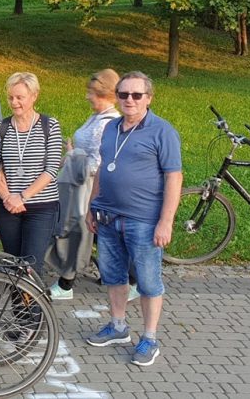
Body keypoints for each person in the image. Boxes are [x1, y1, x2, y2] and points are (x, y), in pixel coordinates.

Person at [85, 71, 182, 367]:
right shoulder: (111, 127)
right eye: (123, 94)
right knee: (113, 275)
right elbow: (103, 168)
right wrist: (92, 205)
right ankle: (118, 326)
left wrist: (166, 221)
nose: (130, 100)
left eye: (137, 95)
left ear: (148, 98)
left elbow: (174, 177)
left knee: (149, 282)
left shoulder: (162, 131)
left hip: (143, 220)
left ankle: (150, 338)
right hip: (107, 216)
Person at [47, 69, 120, 300]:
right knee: (95, 234)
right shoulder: (97, 117)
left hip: (87, 188)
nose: (87, 97)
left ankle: (66, 284)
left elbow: (97, 164)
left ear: (103, 94)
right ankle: (127, 276)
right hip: (79, 185)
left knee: (78, 231)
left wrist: (72, 154)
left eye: (91, 93)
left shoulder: (106, 124)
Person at [0, 72, 62, 279]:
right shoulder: (1, 127)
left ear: (34, 96)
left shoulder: (49, 125)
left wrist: (22, 197)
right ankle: (17, 302)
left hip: (41, 207)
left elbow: (51, 169)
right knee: (13, 265)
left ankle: (34, 302)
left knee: (31, 267)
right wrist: (7, 197)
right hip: (7, 207)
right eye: (10, 97)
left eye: (20, 97)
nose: (14, 102)